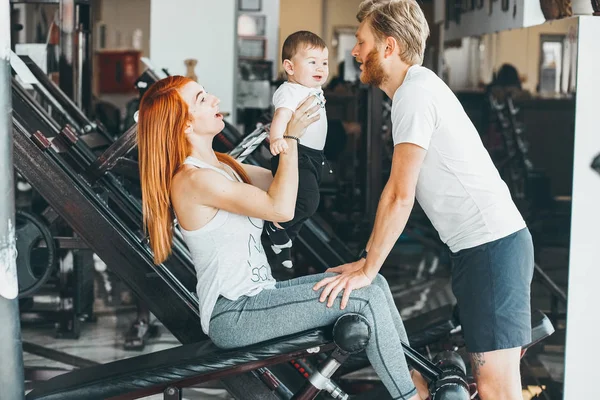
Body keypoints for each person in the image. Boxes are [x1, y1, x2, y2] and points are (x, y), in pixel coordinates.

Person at [136, 75, 424, 400]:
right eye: (202, 99)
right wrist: (288, 137)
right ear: (184, 126)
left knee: (374, 283)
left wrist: (298, 127)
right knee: (365, 298)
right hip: (236, 313)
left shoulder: (226, 166)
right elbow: (281, 208)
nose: (214, 99)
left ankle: (417, 376)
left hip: (260, 297)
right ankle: (412, 397)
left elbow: (293, 188)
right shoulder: (192, 180)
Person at [314, 1, 534, 399]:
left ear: (389, 47)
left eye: (362, 42)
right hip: (480, 249)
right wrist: (368, 259)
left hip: (490, 249)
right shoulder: (415, 89)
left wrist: (369, 270)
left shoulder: (414, 95)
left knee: (497, 391)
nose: (354, 51)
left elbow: (400, 194)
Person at [265, 30, 330, 269]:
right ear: (290, 67)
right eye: (312, 62)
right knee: (307, 201)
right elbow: (281, 116)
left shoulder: (312, 89)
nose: (320, 67)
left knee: (308, 205)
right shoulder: (290, 90)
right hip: (296, 153)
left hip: (313, 156)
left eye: (324, 62)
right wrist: (275, 139)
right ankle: (275, 228)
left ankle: (282, 243)